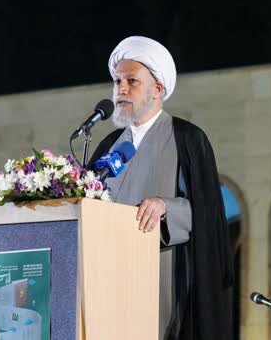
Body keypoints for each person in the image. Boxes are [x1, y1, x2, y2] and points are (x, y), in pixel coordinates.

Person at [88, 36, 233, 340]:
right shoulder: (108, 146)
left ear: (157, 89)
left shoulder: (187, 139)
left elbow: (208, 214)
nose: (121, 89)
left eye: (131, 81)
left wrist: (167, 207)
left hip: (162, 278)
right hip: (107, 278)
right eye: (117, 81)